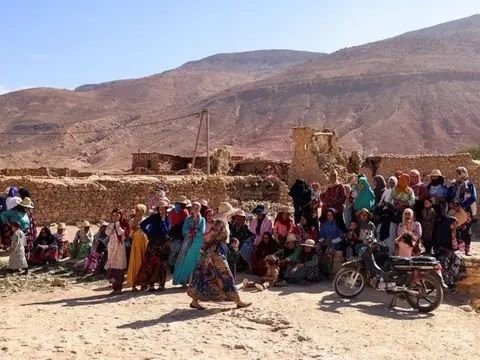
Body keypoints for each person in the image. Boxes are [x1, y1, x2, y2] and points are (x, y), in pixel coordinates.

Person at [188, 218, 251, 310]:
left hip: (208, 258)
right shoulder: (219, 228)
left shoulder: (212, 230)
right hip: (216, 258)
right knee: (227, 278)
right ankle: (237, 301)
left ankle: (195, 301)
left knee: (203, 278)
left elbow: (206, 246)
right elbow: (218, 242)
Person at [138, 200, 171, 291]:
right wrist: (149, 234)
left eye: (164, 208)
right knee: (151, 264)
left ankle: (161, 285)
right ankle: (151, 285)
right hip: (153, 244)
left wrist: (163, 221)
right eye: (160, 209)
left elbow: (167, 231)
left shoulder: (167, 218)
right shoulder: (153, 217)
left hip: (163, 245)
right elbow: (142, 224)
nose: (162, 210)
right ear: (158, 209)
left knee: (162, 265)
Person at [173, 202, 206, 286]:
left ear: (200, 209)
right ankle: (184, 280)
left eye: (197, 207)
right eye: (194, 207)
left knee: (196, 261)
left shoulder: (202, 220)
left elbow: (202, 231)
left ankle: (195, 280)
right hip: (187, 242)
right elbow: (184, 230)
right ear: (191, 208)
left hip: (198, 243)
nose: (195, 209)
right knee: (185, 260)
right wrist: (192, 231)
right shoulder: (187, 219)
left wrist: (192, 232)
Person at [447, 167, 477, 256]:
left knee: (466, 230)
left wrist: (462, 206)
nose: (457, 176)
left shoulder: (470, 185)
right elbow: (448, 196)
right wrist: (452, 204)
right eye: (456, 173)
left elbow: (473, 197)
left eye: (458, 173)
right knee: (454, 230)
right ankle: (455, 249)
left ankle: (467, 250)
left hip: (465, 211)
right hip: (454, 209)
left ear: (463, 174)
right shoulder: (452, 185)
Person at [433, 216, 465, 292]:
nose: (455, 226)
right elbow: (437, 246)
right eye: (453, 224)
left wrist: (453, 237)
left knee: (457, 259)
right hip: (441, 252)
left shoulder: (456, 233)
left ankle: (451, 281)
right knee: (444, 261)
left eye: (456, 224)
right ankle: (446, 283)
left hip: (450, 252)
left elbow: (456, 247)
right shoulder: (441, 231)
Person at [105, 208, 129, 295]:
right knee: (113, 267)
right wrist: (113, 225)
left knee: (119, 267)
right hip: (111, 247)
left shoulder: (124, 225)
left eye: (117, 215)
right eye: (113, 215)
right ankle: (114, 288)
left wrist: (117, 224)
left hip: (119, 248)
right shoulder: (110, 225)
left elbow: (122, 234)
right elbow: (107, 233)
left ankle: (119, 288)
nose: (115, 217)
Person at [126, 204, 149, 291]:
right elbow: (130, 234)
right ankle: (134, 284)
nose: (137, 212)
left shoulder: (146, 220)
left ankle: (144, 283)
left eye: (139, 210)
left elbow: (148, 230)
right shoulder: (132, 221)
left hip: (145, 241)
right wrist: (134, 229)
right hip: (136, 242)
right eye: (136, 210)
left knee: (144, 262)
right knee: (135, 261)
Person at [168, 196, 190, 273]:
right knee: (179, 252)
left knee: (173, 251)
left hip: (173, 233)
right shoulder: (184, 211)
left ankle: (172, 268)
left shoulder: (173, 211)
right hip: (180, 234)